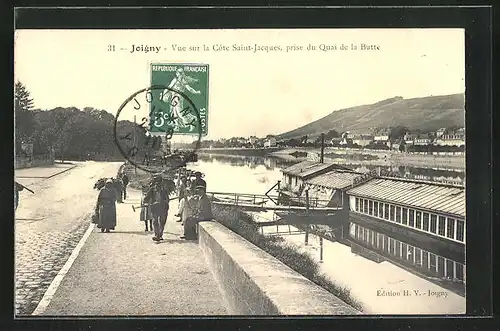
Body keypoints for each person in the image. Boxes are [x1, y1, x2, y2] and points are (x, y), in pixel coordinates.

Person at [145, 174, 169, 242]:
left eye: (159, 182)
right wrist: (146, 202)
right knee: (155, 221)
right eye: (156, 182)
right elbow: (146, 198)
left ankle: (160, 234)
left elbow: (167, 199)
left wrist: (162, 202)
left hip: (163, 208)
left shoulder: (164, 190)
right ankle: (157, 235)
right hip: (155, 208)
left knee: (162, 222)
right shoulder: (152, 190)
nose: (157, 184)